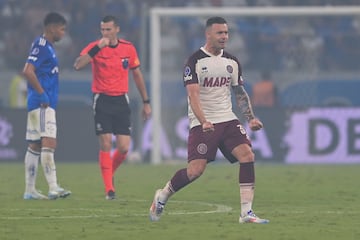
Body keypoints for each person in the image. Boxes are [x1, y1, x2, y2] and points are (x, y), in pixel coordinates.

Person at [149, 16, 269, 224]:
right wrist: (203, 120)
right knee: (195, 171)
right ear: (208, 34)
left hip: (228, 119)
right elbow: (193, 95)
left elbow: (239, 92)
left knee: (247, 155)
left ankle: (246, 213)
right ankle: (163, 195)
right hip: (202, 123)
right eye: (219, 33)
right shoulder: (195, 61)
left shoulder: (231, 62)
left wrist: (250, 118)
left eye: (226, 33)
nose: (224, 37)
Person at [73, 15, 151, 200]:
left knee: (124, 148)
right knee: (106, 142)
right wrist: (96, 48)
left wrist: (146, 102)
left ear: (117, 29)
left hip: (121, 100)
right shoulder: (95, 47)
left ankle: (108, 173)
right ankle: (110, 189)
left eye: (108, 29)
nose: (105, 33)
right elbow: (78, 65)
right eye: (102, 30)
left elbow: (137, 75)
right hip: (102, 100)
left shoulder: (128, 48)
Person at [22, 12, 71, 200]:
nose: (63, 33)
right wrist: (42, 93)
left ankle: (30, 190)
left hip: (38, 103)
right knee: (49, 141)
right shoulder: (42, 46)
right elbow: (28, 71)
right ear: (51, 28)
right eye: (61, 29)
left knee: (34, 145)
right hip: (42, 103)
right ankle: (53, 187)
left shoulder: (46, 46)